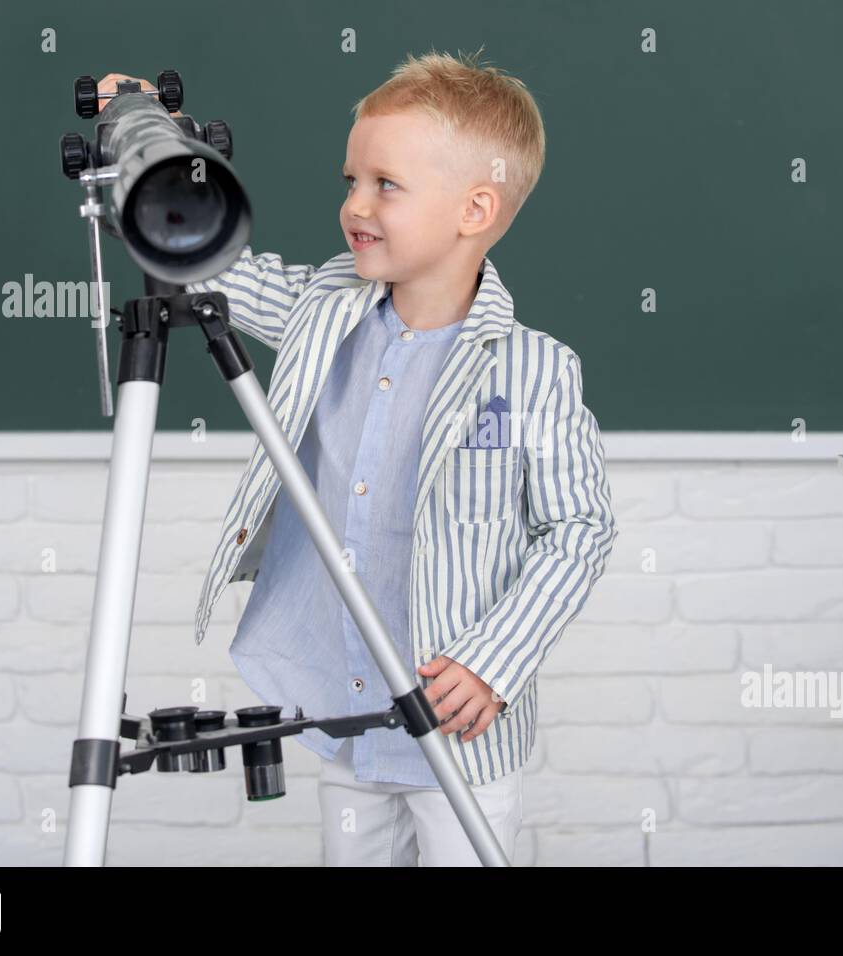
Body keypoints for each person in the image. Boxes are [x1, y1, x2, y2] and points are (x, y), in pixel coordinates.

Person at [96, 48, 617, 865]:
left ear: (474, 209)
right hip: (344, 710)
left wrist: (494, 661)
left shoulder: (532, 369)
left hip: (461, 728)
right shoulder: (322, 309)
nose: (355, 205)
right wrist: (141, 135)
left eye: (386, 185)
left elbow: (580, 528)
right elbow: (203, 259)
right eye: (351, 181)